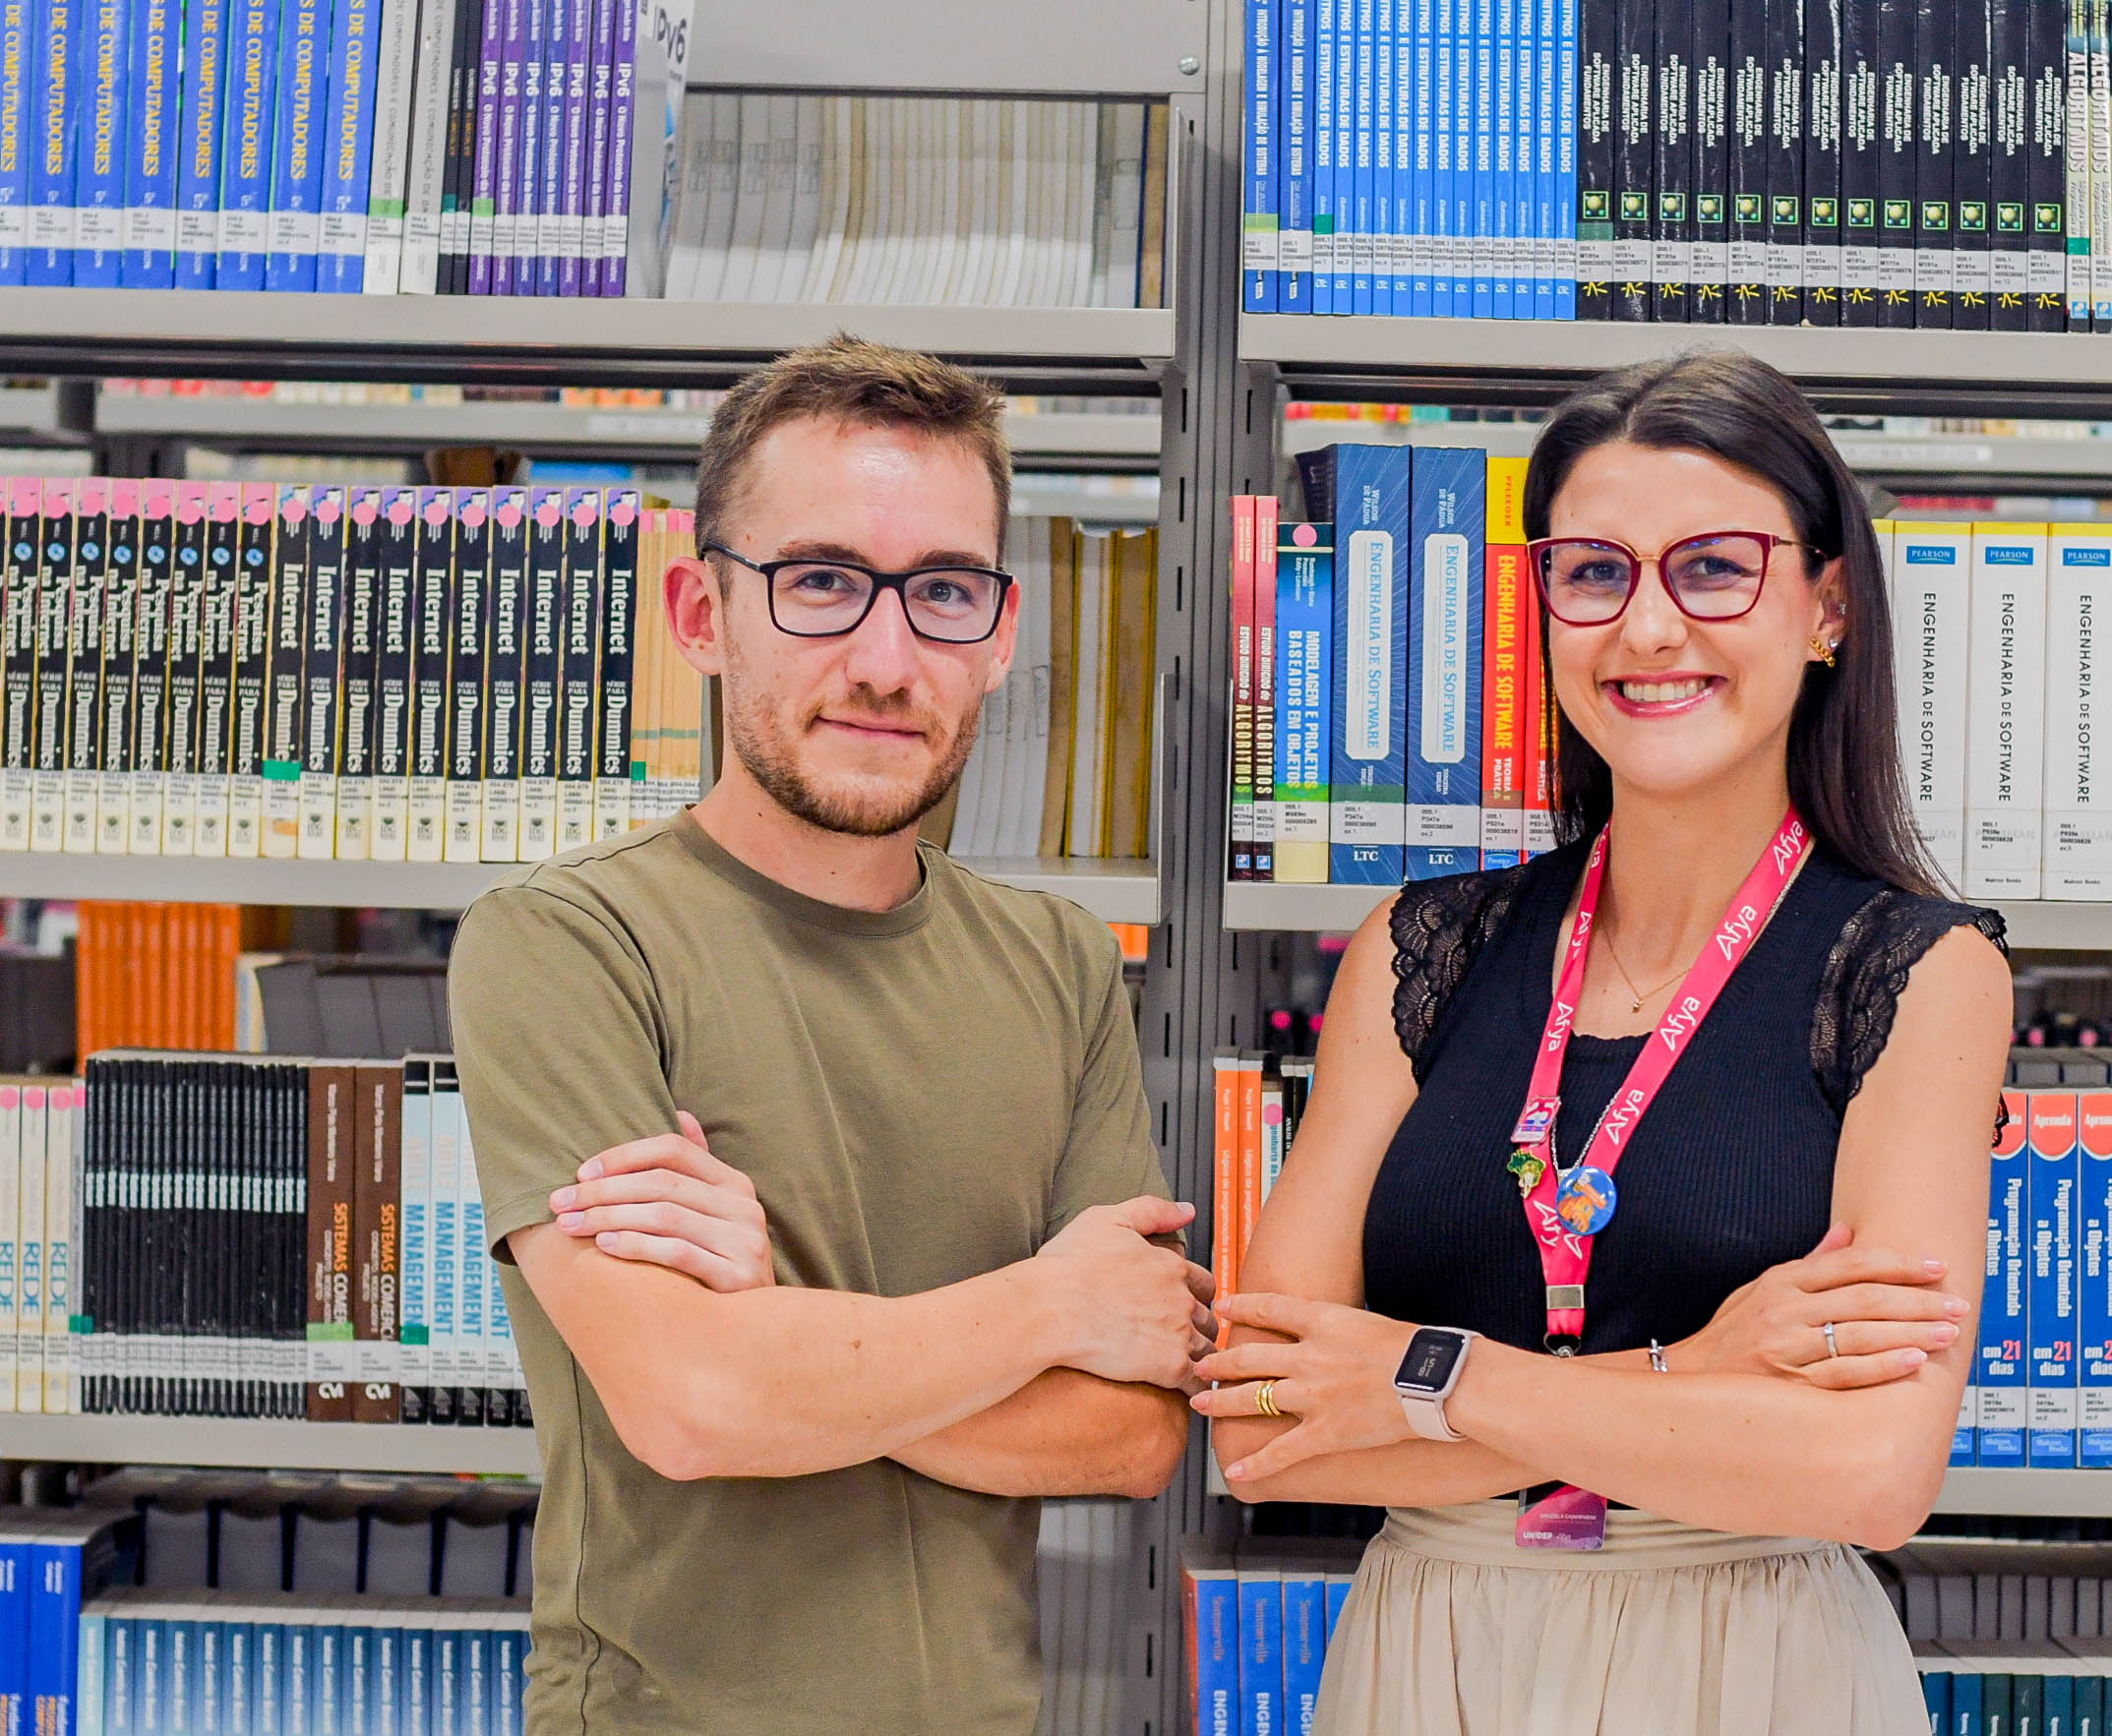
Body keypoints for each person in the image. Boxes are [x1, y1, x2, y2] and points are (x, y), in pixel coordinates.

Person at [1195, 351, 2013, 1734]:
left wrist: (1421, 1380)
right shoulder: (1417, 950)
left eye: (1714, 569)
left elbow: (1871, 1471)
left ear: (1827, 606)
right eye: (1593, 572)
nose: (1648, 628)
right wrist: (1702, 1375)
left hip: (1749, 1666)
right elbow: (1266, 1427)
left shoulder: (1920, 972)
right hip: (1429, 1663)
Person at [449, 335, 1214, 1736]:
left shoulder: (1060, 962)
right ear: (700, 612)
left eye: (944, 593)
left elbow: (1130, 1434)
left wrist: (777, 1335)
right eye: (819, 583)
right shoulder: (566, 943)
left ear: (1000, 636)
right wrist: (1046, 1311)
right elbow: (691, 1405)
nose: (885, 660)